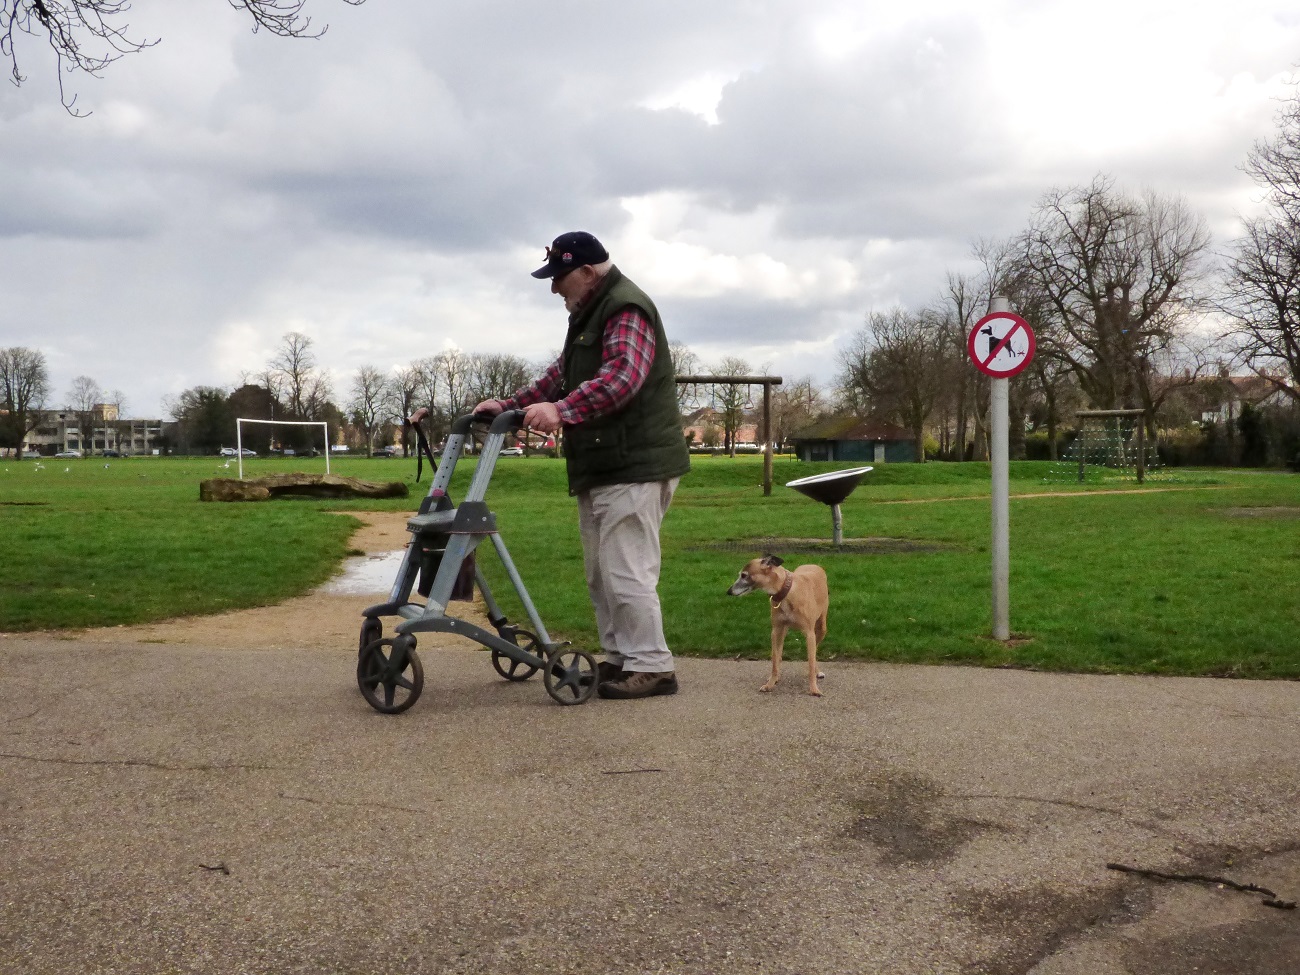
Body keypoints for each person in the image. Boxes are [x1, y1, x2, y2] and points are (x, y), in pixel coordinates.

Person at [473, 231, 691, 700]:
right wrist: (511, 405)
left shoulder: (626, 307)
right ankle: (620, 661)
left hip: (634, 463)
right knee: (601, 571)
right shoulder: (590, 314)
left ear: (588, 272)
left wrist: (562, 411)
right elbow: (562, 376)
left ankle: (653, 666)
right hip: (605, 464)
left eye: (559, 278)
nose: (554, 289)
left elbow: (622, 378)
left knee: (626, 569)